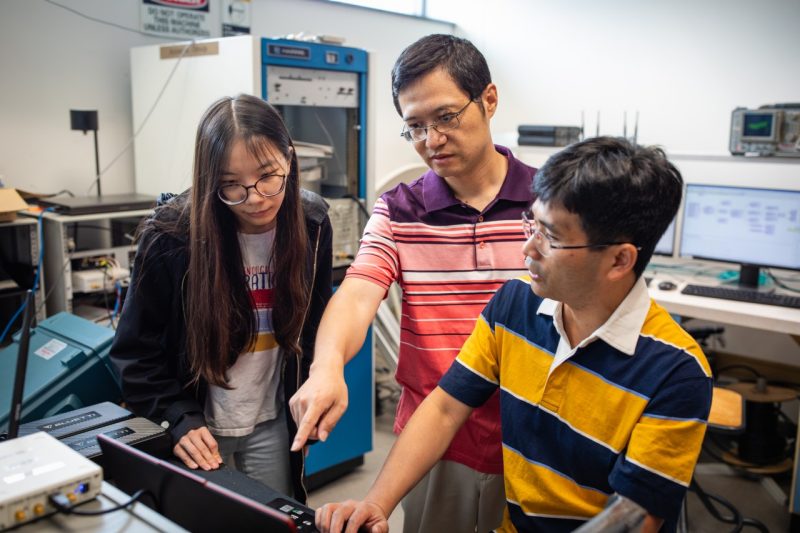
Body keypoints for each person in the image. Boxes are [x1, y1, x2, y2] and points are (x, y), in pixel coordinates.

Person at [315, 136, 713, 533]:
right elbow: (444, 408)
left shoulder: (676, 371)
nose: (528, 248)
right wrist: (375, 503)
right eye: (532, 225)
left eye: (551, 236)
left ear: (619, 259)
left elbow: (633, 516)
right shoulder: (515, 304)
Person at [289, 34, 536, 532]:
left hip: (533, 438)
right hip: (434, 442)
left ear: (488, 100)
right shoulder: (400, 210)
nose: (432, 141)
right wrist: (327, 367)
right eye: (415, 127)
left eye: (446, 118)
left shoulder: (548, 202)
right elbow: (359, 291)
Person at [109, 94, 332, 503]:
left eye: (268, 175)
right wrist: (177, 417)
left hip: (273, 423)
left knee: (276, 519)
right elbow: (135, 354)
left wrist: (318, 381)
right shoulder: (171, 238)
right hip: (198, 429)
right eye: (231, 185)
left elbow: (317, 327)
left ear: (290, 157)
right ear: (210, 179)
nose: (256, 198)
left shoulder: (312, 222)